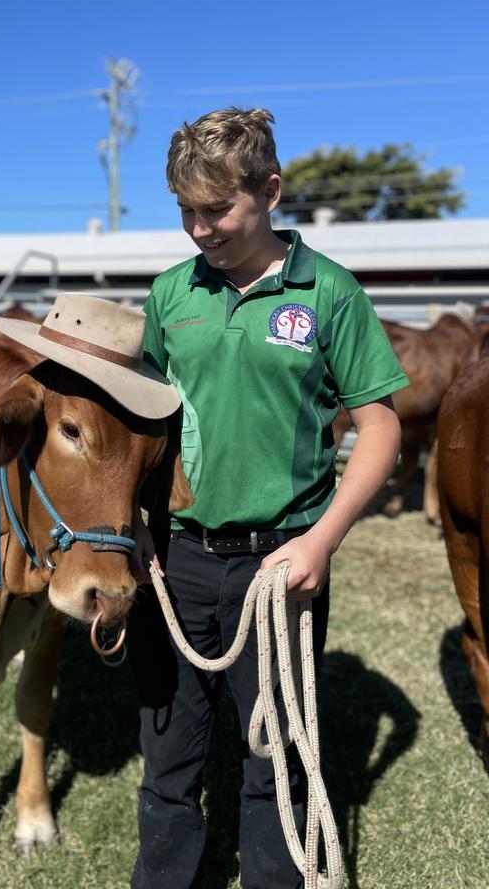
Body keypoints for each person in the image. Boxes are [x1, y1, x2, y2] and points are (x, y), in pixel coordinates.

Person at [128, 107, 408, 889]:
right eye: (186, 211)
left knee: (274, 759)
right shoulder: (169, 294)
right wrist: (136, 524)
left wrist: (321, 542)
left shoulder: (329, 292)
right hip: (176, 559)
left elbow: (379, 428)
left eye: (217, 209)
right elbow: (140, 424)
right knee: (168, 762)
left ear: (271, 191)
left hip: (279, 565)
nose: (200, 230)